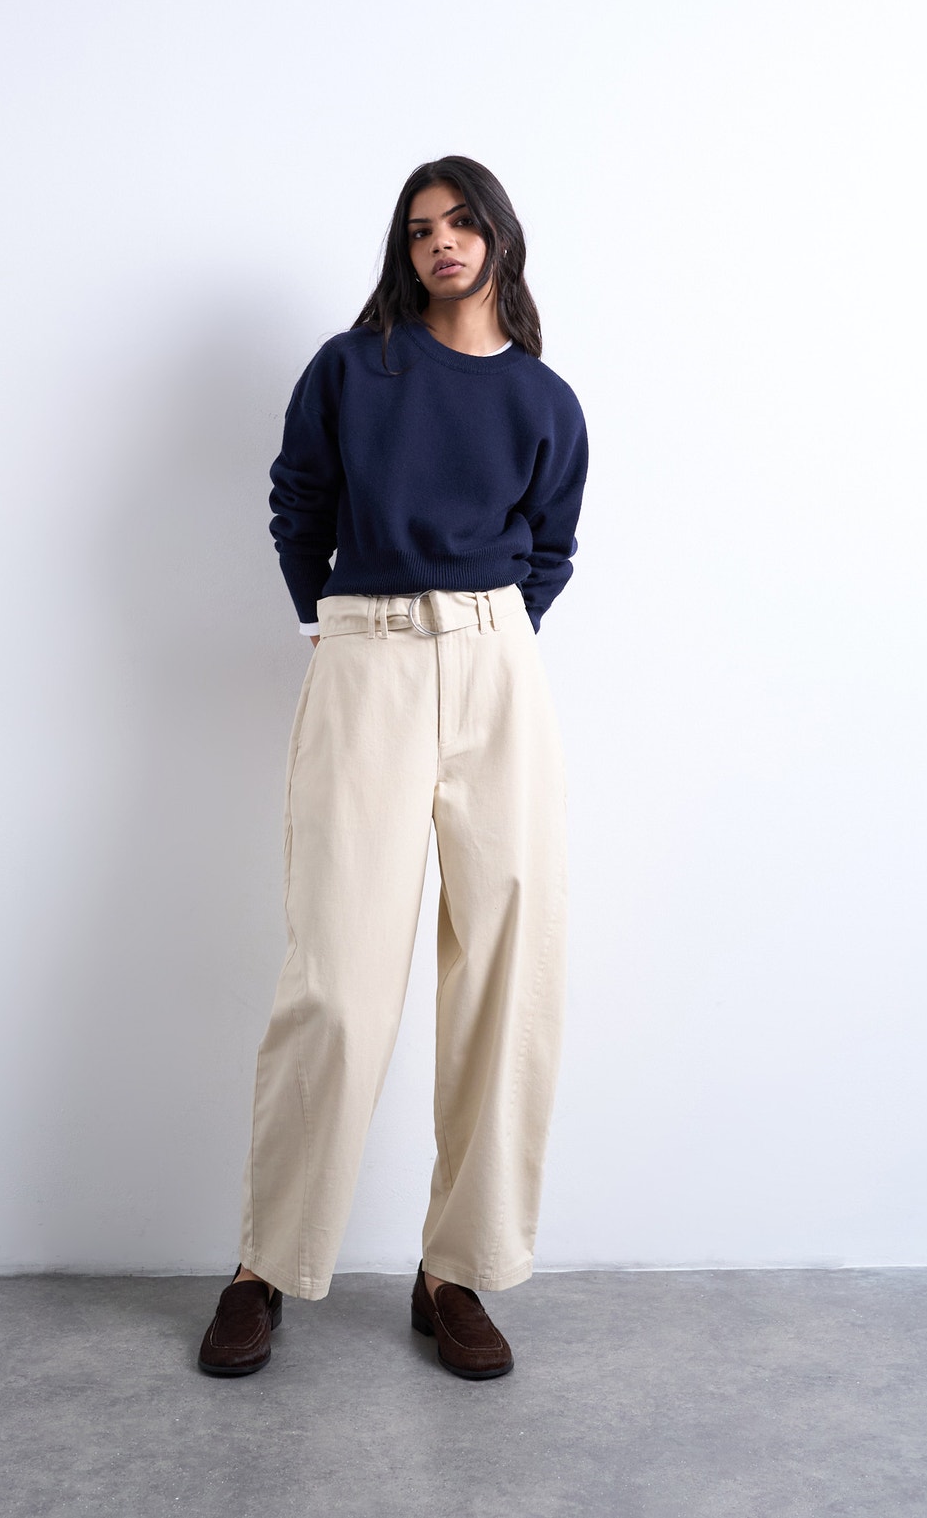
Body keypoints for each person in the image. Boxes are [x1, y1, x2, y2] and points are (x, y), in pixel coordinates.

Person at [198, 155, 589, 1381]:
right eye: (420, 229)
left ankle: (455, 1269)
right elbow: (298, 501)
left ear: (498, 238)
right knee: (337, 975)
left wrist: (487, 635)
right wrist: (337, 623)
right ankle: (266, 1263)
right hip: (366, 656)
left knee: (508, 969)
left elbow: (551, 548)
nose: (441, 243)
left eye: (462, 222)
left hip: (497, 665)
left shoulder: (544, 398)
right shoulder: (352, 367)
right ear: (402, 250)